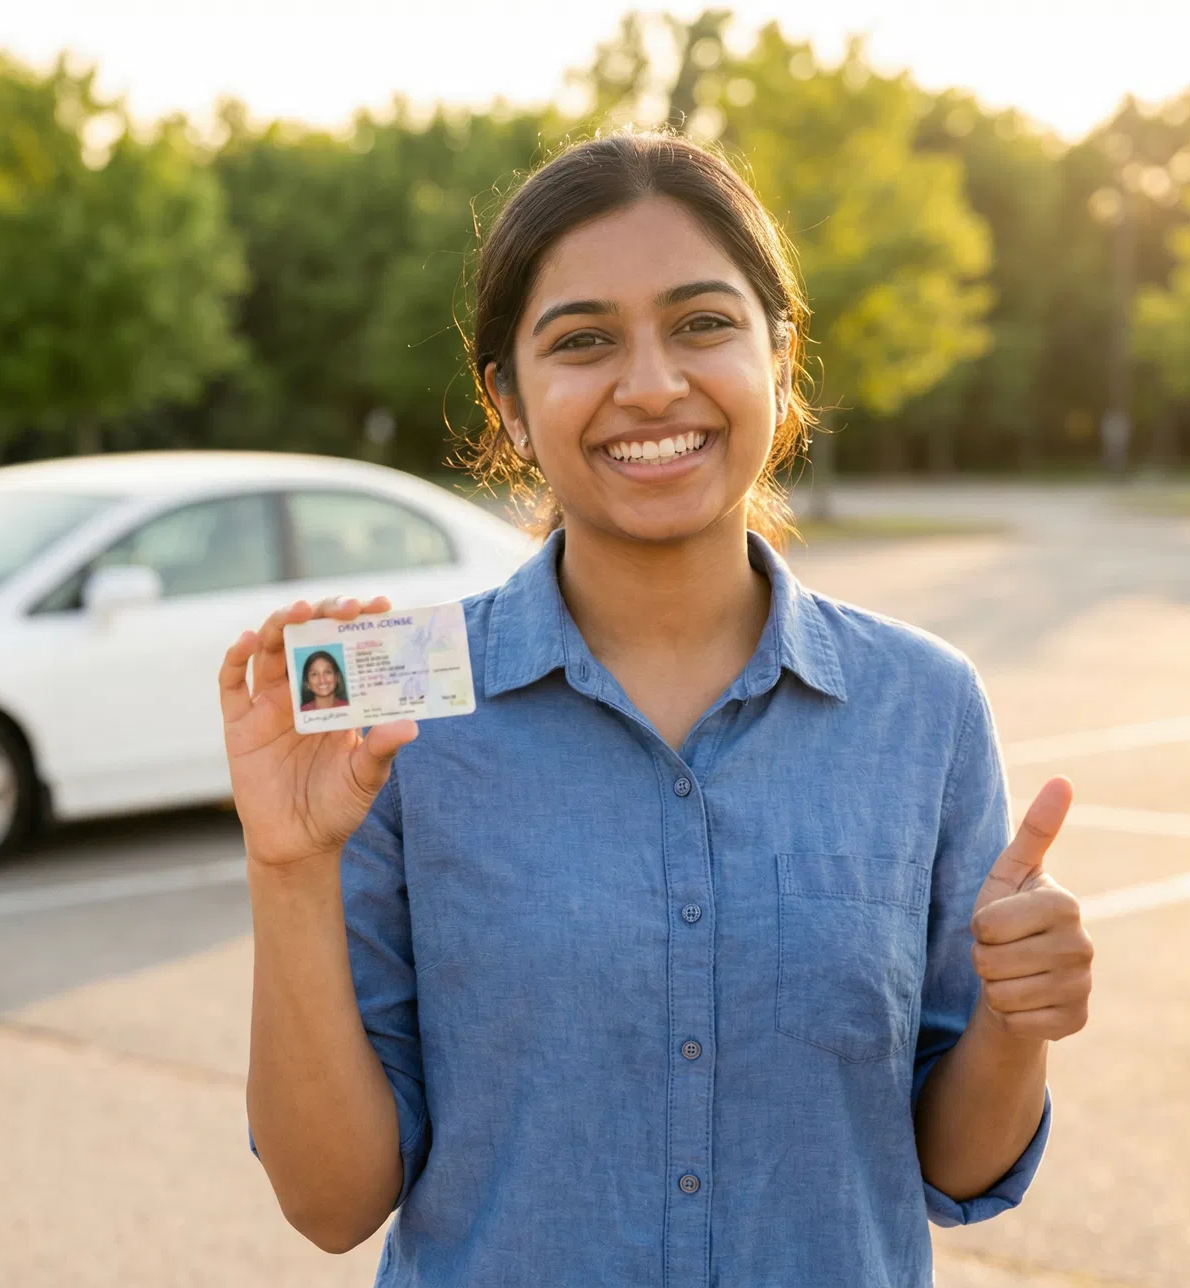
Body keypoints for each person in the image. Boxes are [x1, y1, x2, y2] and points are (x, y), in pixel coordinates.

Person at [219, 133, 1094, 1286]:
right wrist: (287, 870)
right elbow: (331, 1204)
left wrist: (1018, 1020)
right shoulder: (396, 702)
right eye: (583, 341)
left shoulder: (921, 705)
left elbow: (959, 1168)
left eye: (702, 324)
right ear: (510, 403)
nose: (650, 384)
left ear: (779, 359)